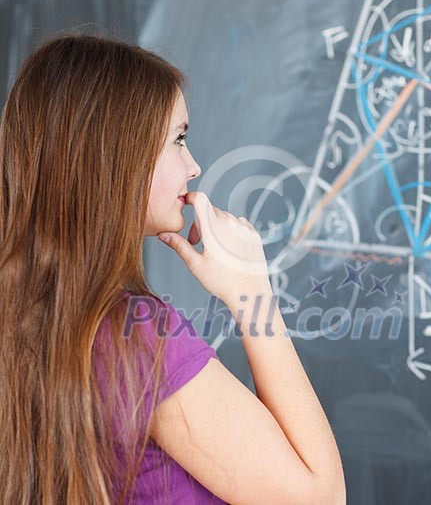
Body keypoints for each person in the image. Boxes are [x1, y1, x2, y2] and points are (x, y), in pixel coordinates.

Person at [0, 29, 346, 504]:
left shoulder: (22, 317)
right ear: (115, 156)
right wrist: (253, 296)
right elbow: (320, 498)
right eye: (178, 140)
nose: (194, 166)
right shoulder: (137, 340)